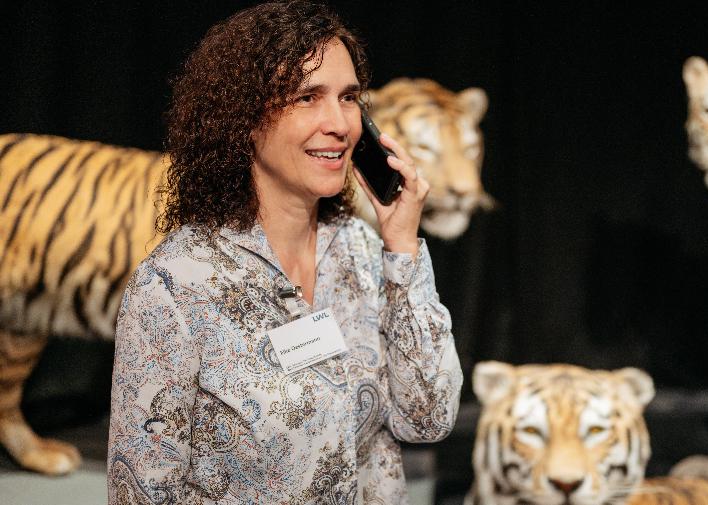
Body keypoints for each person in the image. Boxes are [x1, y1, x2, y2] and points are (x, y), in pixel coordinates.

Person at [106, 2, 462, 503]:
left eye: (348, 97)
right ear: (243, 119)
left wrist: (403, 247)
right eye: (307, 97)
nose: (339, 123)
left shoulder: (363, 252)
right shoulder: (175, 287)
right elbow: (142, 493)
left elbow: (429, 419)